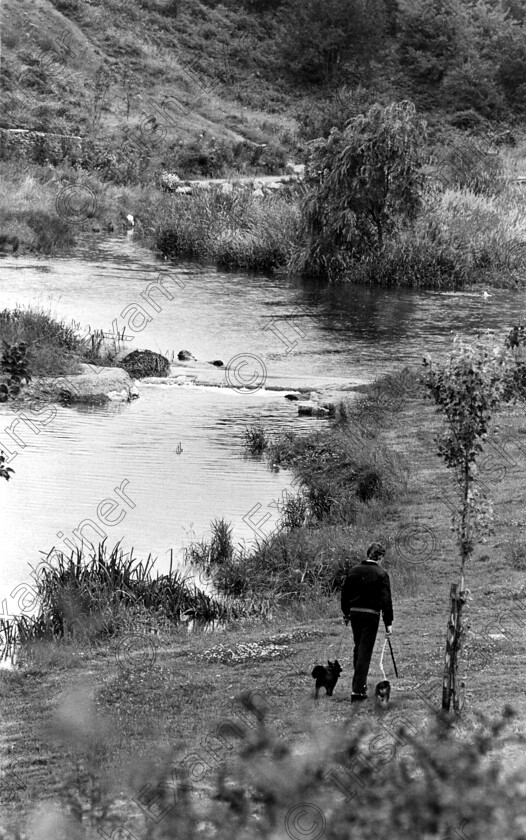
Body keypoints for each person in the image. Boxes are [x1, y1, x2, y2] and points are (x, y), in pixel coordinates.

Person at [340, 542, 393, 703]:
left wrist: (346, 613)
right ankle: (357, 690)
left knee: (358, 646)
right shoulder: (381, 574)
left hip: (355, 613)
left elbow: (345, 593)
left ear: (368, 554)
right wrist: (388, 622)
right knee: (365, 650)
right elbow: (386, 600)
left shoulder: (354, 571)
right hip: (371, 615)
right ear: (380, 557)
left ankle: (359, 685)